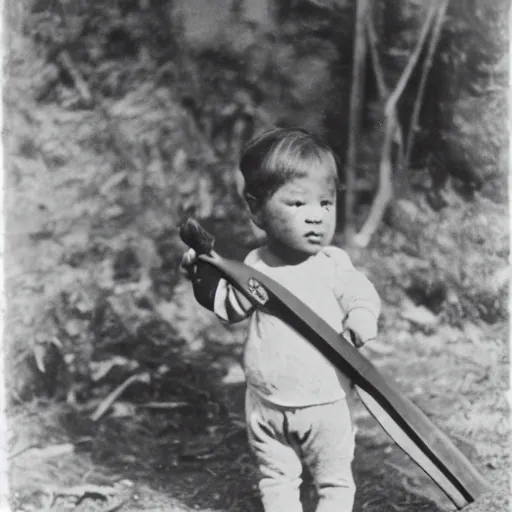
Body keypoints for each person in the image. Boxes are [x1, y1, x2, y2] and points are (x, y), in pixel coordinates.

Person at [181, 128, 381, 512]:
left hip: (326, 404)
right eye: (296, 204)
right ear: (256, 209)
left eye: (325, 203)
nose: (315, 218)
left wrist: (360, 314)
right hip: (267, 406)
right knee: (277, 480)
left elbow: (359, 291)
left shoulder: (332, 263)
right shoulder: (254, 268)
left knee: (335, 484)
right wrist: (201, 275)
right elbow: (228, 306)